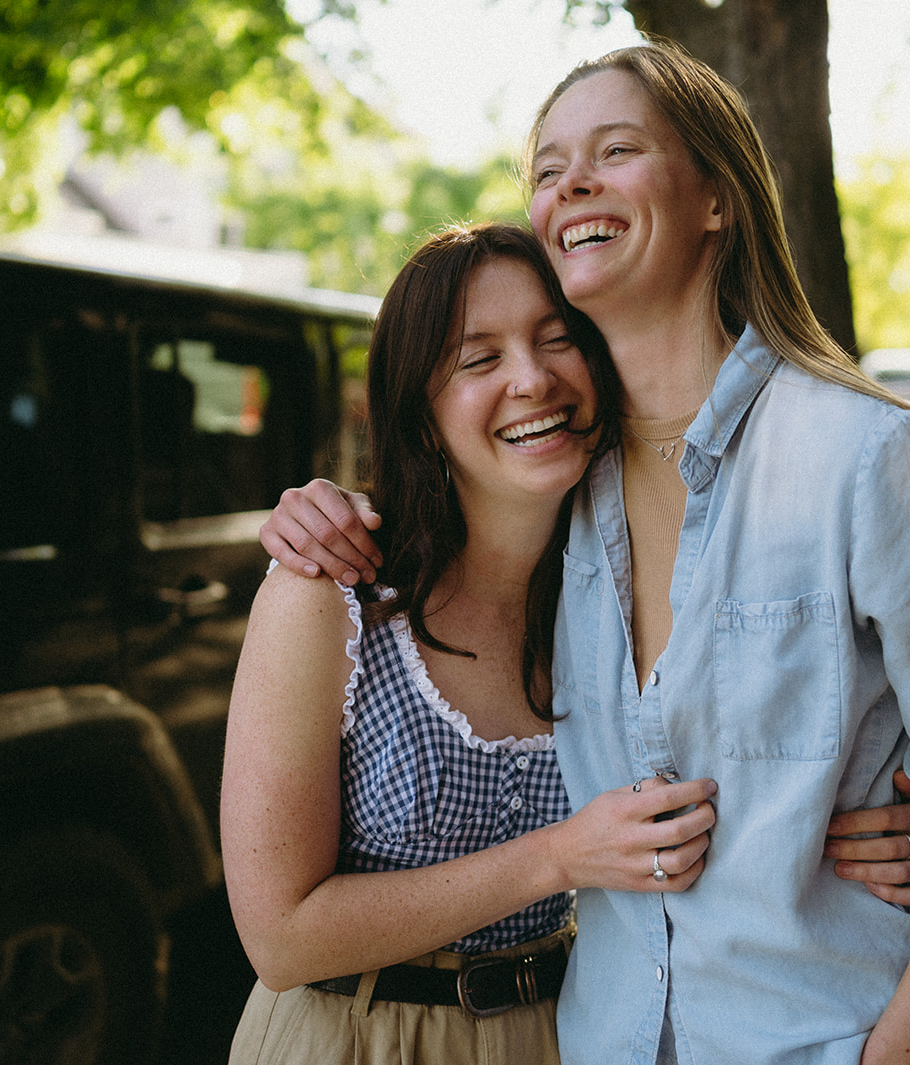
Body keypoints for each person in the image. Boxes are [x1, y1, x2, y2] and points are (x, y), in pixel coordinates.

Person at [259, 41, 910, 1065]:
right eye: (548, 169)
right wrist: (311, 513)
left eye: (615, 150)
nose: (571, 184)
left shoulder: (866, 461)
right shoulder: (559, 493)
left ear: (716, 198)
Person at [221, 222, 722, 1065]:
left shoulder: (632, 597)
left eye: (558, 339)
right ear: (421, 414)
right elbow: (281, 937)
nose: (533, 379)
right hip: (357, 1037)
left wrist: (901, 824)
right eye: (478, 358)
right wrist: (560, 857)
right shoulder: (329, 594)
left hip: (563, 1032)